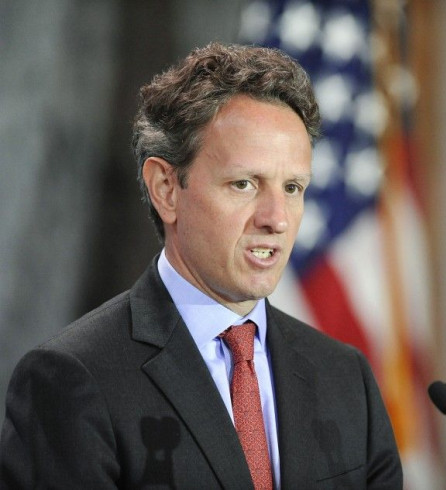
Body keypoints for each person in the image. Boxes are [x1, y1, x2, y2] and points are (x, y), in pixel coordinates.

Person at [0, 43, 402, 489]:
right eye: (245, 183)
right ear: (167, 189)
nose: (277, 218)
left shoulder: (346, 379)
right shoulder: (71, 382)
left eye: (292, 187)